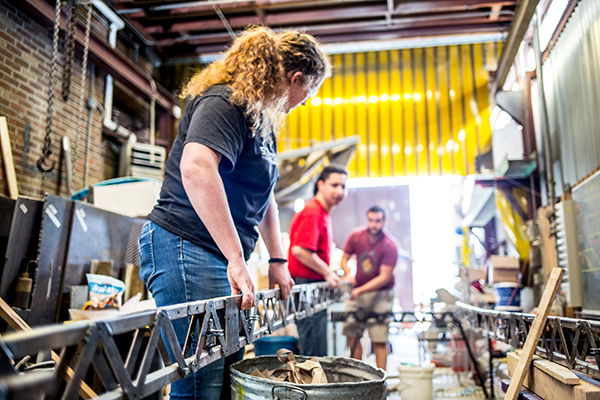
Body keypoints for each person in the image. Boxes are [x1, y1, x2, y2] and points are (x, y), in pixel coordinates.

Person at [137, 26, 331, 400]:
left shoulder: (263, 122)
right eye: (308, 93)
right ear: (296, 78)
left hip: (215, 252)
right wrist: (236, 257)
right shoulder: (225, 102)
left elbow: (266, 196)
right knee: (201, 381)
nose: (303, 102)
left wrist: (277, 259)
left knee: (229, 371)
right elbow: (196, 167)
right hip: (187, 245)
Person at [287, 164, 348, 357]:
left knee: (316, 347)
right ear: (320, 184)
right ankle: (313, 387)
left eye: (343, 186)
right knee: (314, 351)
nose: (339, 191)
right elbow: (300, 251)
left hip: (312, 285)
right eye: (334, 185)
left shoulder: (323, 212)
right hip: (306, 285)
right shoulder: (314, 211)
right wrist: (327, 272)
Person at [340, 205, 398, 370]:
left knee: (379, 338)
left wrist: (359, 290)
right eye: (371, 220)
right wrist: (347, 272)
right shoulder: (356, 236)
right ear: (367, 220)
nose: (374, 225)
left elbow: (384, 277)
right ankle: (359, 376)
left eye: (378, 221)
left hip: (381, 294)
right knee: (351, 332)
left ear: (384, 221)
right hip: (358, 293)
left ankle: (381, 381)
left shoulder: (390, 245)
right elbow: (344, 258)